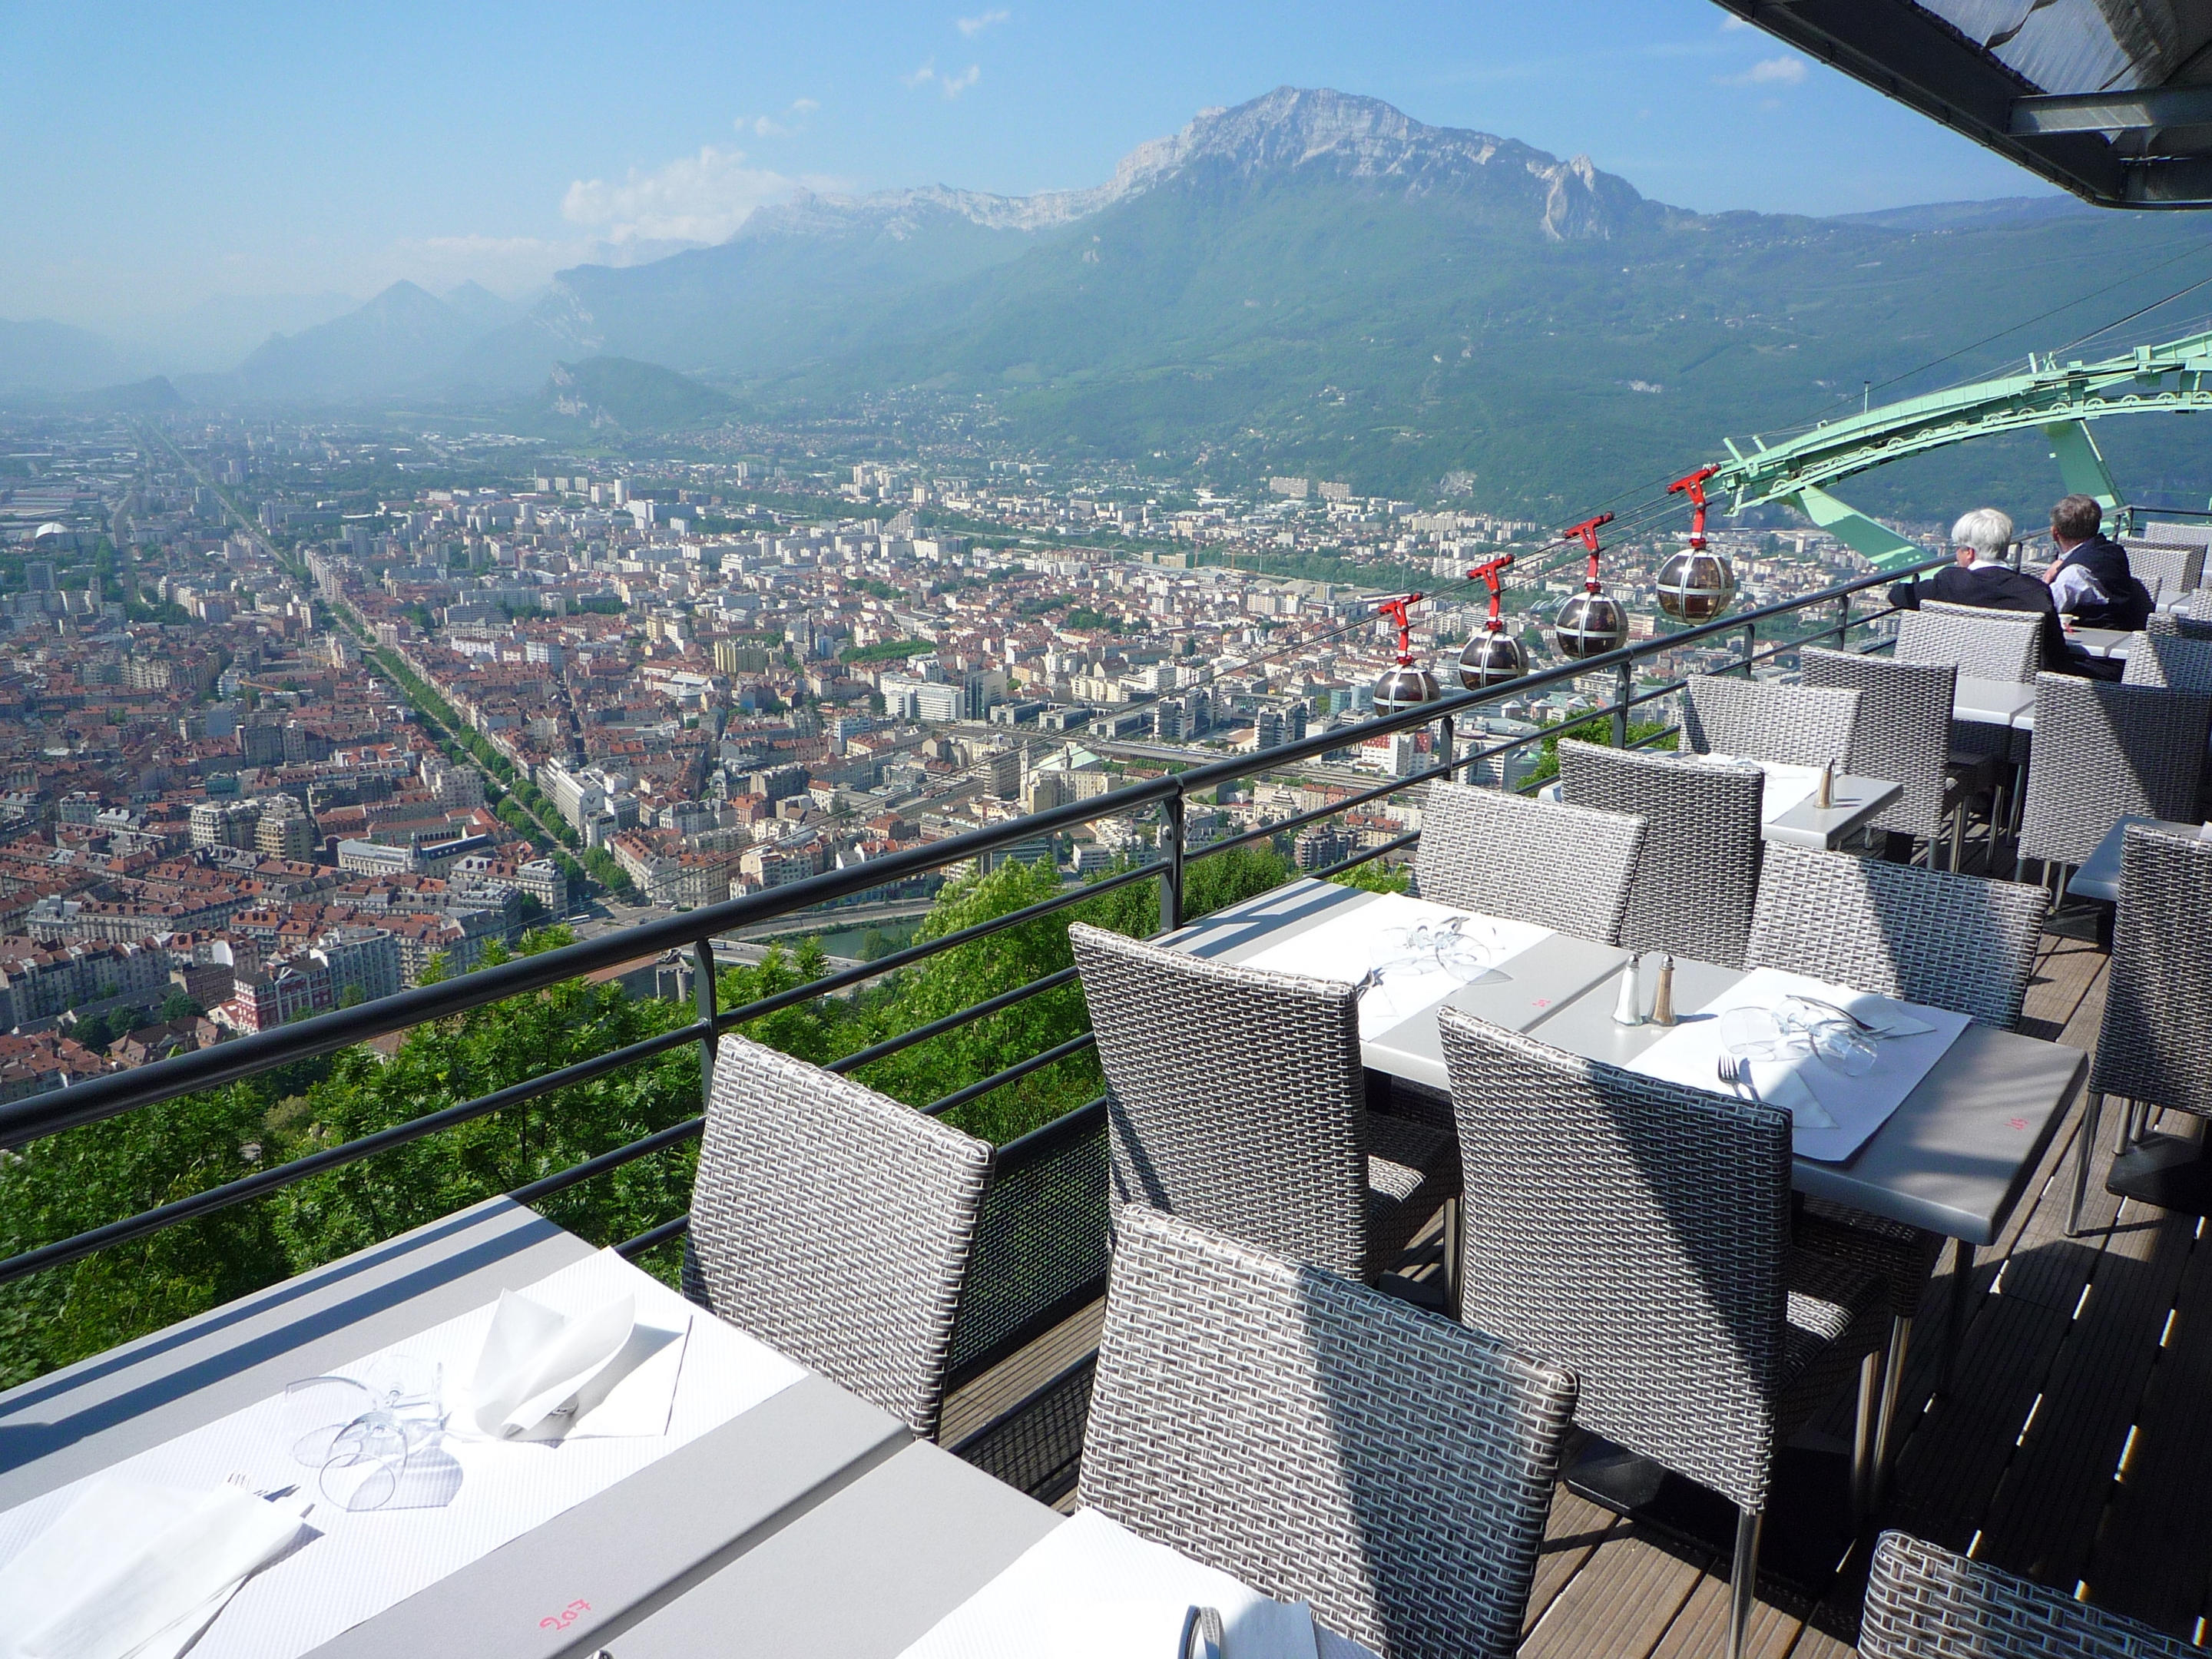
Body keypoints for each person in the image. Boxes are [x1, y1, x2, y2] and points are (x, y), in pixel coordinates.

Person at [1886, 506, 2110, 675]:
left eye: (1958, 549)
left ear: (1970, 553)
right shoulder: (2034, 592)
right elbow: (2055, 655)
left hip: (1951, 687)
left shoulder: (1948, 583)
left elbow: (1897, 595)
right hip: (2021, 693)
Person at [2044, 493, 2153, 632]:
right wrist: (2063, 562)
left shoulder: (2075, 573)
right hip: (2123, 633)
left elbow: (2046, 606)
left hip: (2090, 647)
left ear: (2054, 533)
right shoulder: (2113, 551)